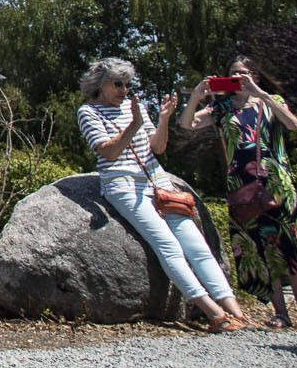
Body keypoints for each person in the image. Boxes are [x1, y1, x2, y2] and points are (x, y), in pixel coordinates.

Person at [77, 56, 246, 332]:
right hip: (123, 184)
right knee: (168, 246)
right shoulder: (89, 112)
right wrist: (132, 124)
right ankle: (212, 312)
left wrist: (163, 119)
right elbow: (107, 151)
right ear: (99, 84)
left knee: (198, 247)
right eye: (117, 84)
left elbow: (157, 147)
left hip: (157, 182)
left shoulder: (137, 107)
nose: (124, 90)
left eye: (127, 84)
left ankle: (234, 310)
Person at [181, 54, 297, 328]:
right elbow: (187, 125)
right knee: (261, 247)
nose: (239, 77)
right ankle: (280, 312)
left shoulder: (271, 103)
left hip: (277, 182)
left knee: (290, 245)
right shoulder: (222, 108)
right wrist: (197, 96)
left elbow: (293, 124)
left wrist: (261, 94)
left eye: (244, 73)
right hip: (242, 185)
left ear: (254, 75)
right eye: (233, 73)